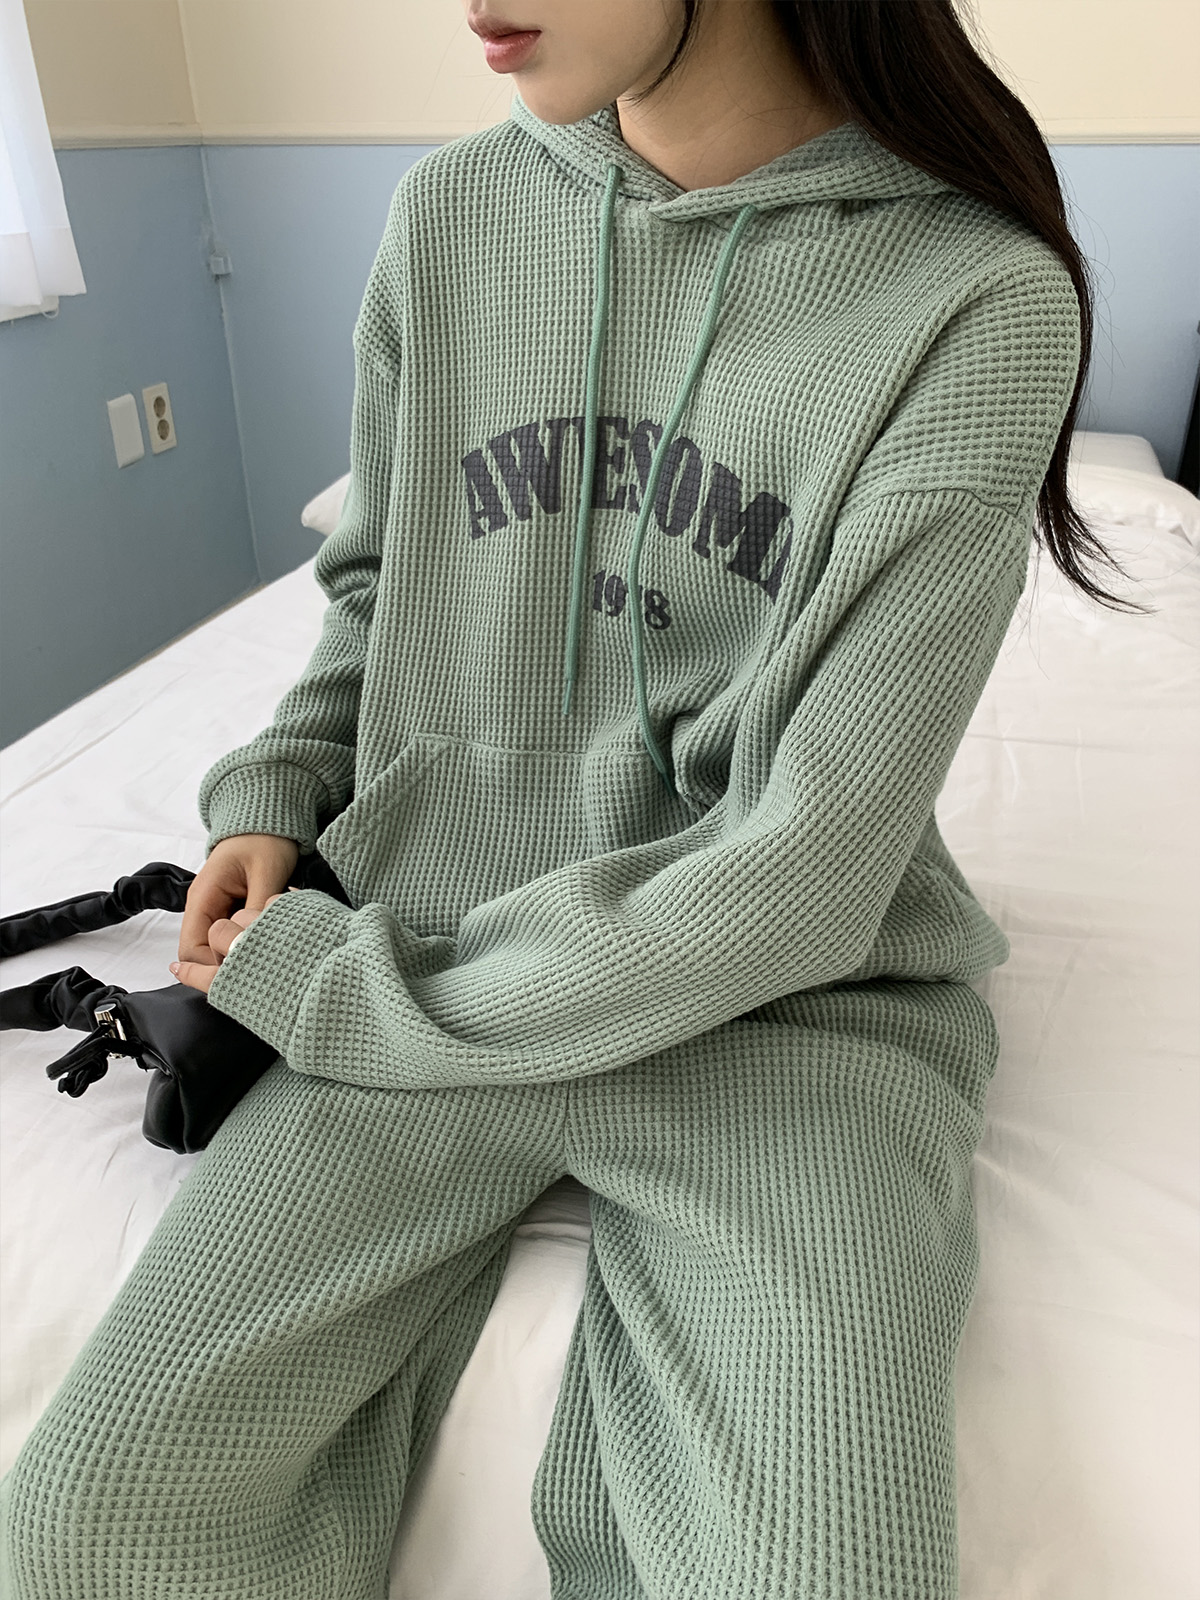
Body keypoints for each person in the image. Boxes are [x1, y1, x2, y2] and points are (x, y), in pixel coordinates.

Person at [1, 2, 1121, 1596]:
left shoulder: (974, 295)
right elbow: (380, 584)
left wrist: (345, 995)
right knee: (89, 1524)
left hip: (779, 1013)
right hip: (424, 929)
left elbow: (808, 871)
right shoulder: (453, 215)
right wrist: (279, 788)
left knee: (819, 1569)